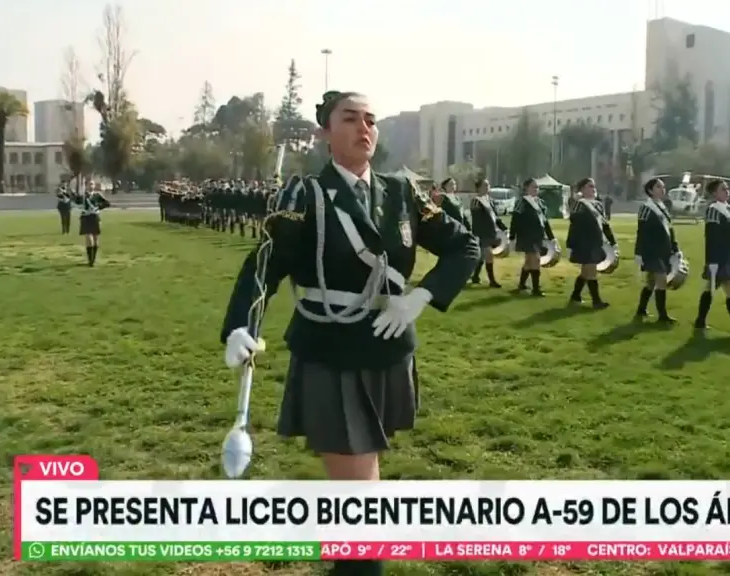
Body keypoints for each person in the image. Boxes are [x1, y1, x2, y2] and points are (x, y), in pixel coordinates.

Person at [220, 91, 480, 576]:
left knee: (361, 487)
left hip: (387, 349)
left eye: (371, 119)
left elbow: (465, 246)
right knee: (360, 499)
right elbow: (264, 264)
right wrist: (241, 325)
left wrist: (421, 297)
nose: (364, 128)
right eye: (350, 118)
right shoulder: (306, 194)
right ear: (324, 133)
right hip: (332, 351)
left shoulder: (402, 193)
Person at [692, 179, 730, 337]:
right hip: (719, 257)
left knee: (711, 288)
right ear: (714, 193)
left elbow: (728, 235)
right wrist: (713, 260)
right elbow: (713, 236)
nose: (727, 191)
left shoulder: (725, 209)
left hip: (727, 256)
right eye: (723, 189)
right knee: (729, 289)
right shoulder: (714, 210)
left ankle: (700, 321)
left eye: (727, 189)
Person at [633, 177, 680, 323]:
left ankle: (641, 309)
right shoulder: (646, 207)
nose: (662, 189)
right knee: (661, 280)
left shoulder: (663, 206)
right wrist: (639, 253)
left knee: (651, 282)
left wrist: (675, 247)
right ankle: (663, 315)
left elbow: (669, 229)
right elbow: (641, 231)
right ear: (650, 190)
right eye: (659, 187)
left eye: (663, 187)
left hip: (663, 250)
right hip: (651, 250)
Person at [565, 177, 616, 308]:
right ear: (582, 189)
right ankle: (596, 301)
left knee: (586, 272)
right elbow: (574, 225)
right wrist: (570, 244)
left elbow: (605, 225)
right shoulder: (579, 204)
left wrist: (612, 241)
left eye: (594, 186)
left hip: (596, 242)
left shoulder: (598, 205)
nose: (593, 189)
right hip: (584, 242)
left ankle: (575, 296)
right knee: (591, 271)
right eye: (589, 186)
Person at [509, 178, 556, 296]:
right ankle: (536, 289)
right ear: (526, 188)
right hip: (526, 236)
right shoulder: (522, 202)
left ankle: (521, 285)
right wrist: (512, 236)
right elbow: (515, 219)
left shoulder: (540, 203)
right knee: (536, 260)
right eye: (533, 187)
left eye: (537, 187)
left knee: (529, 262)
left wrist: (551, 237)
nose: (536, 189)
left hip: (538, 236)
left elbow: (545, 222)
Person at [468, 177, 507, 287]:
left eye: (488, 185)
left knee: (481, 257)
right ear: (479, 188)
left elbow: (495, 217)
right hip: (482, 233)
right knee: (489, 255)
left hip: (491, 232)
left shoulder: (489, 200)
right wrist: (479, 234)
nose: (487, 187)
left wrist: (503, 228)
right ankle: (492, 281)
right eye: (484, 185)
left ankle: (475, 276)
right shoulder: (476, 201)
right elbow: (477, 220)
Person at [75, 185, 110, 267]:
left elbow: (107, 203)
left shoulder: (97, 195)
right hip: (85, 218)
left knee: (95, 238)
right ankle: (90, 260)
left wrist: (98, 207)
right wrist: (77, 195)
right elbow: (76, 202)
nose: (90, 186)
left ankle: (93, 259)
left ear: (94, 186)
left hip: (94, 217)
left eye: (92, 184)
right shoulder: (83, 196)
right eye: (89, 184)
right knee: (88, 237)